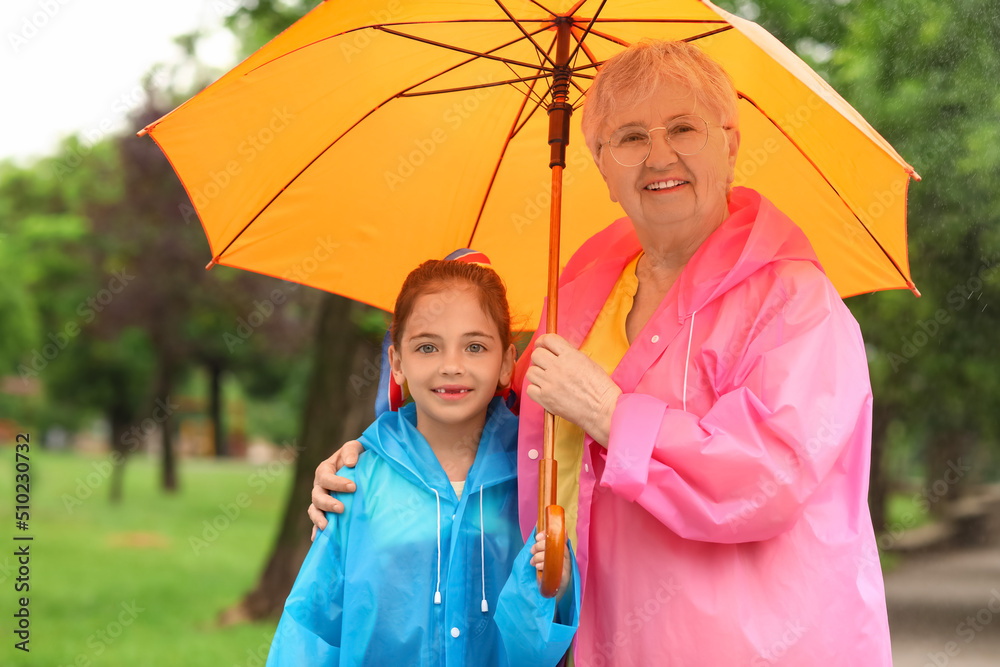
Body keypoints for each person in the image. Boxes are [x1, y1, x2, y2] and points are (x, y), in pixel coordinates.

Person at [310, 40, 893, 665]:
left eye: (684, 128)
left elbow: (766, 480)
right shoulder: (584, 288)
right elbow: (513, 436)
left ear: (730, 141)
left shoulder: (797, 303)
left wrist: (613, 413)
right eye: (631, 138)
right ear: (601, 164)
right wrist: (383, 463)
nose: (659, 156)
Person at [268, 259, 578, 667]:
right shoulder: (355, 482)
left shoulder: (535, 481)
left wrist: (556, 583)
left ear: (506, 363)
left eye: (475, 347)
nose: (451, 365)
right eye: (428, 347)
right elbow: (312, 631)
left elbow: (534, 651)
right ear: (397, 363)